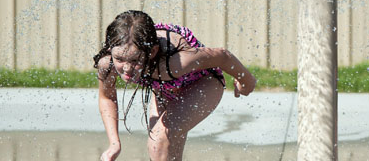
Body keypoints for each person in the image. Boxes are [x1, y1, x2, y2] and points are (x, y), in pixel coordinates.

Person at [93, 10, 256, 161]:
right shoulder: (108, 64)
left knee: (158, 142)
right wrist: (114, 144)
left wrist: (246, 82)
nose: (127, 69)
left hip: (203, 83)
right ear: (110, 48)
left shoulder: (174, 63)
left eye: (135, 60)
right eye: (120, 59)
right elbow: (107, 97)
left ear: (153, 52)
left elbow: (222, 56)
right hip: (165, 89)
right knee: (160, 152)